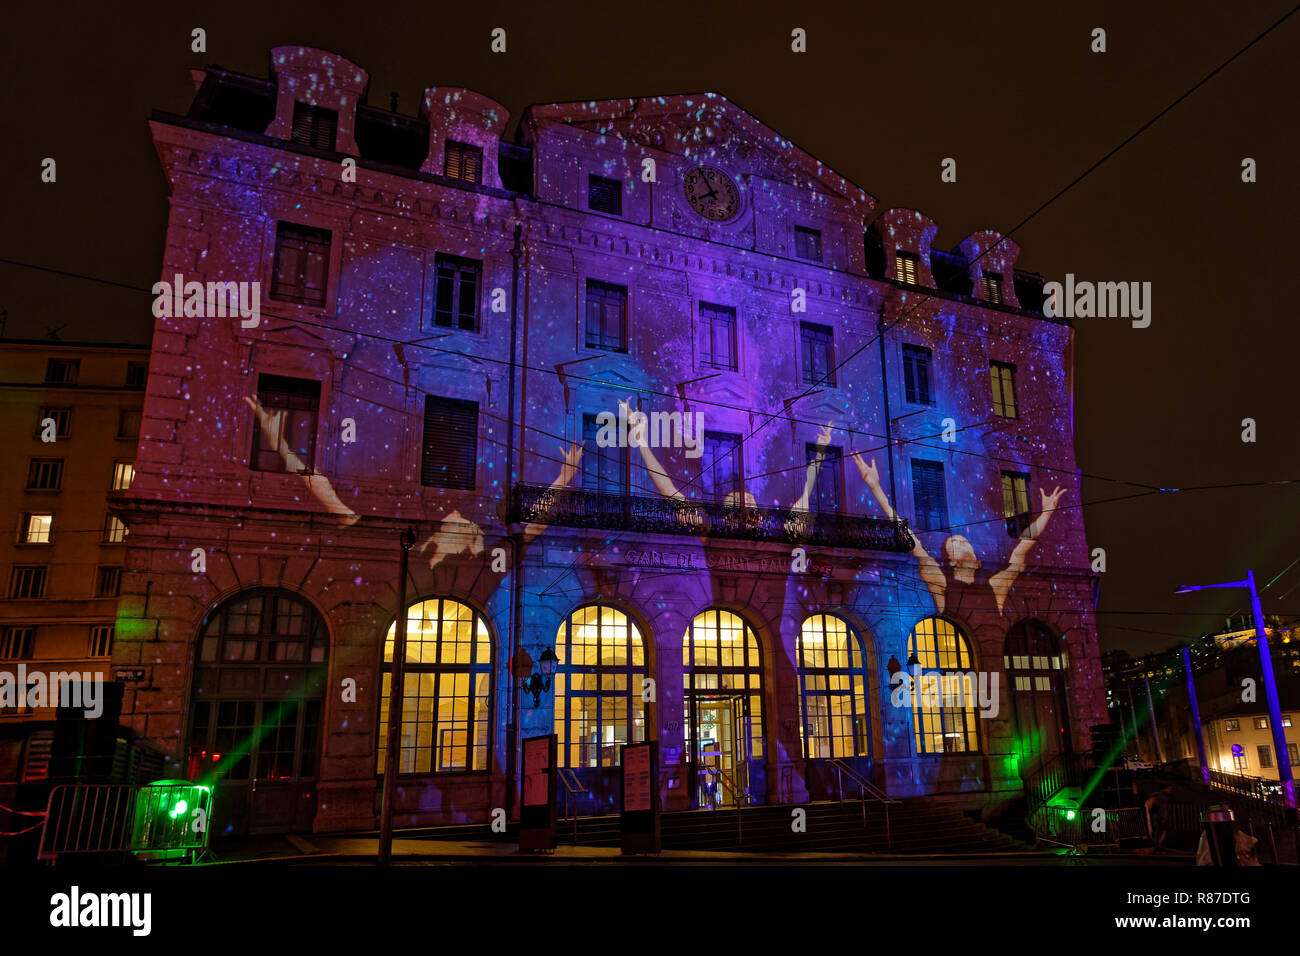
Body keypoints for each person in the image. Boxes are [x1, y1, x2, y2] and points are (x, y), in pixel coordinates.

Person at [851, 453, 1066, 617]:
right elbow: (911, 540)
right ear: (951, 560)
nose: (962, 541)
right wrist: (876, 488)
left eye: (963, 540)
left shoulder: (995, 584)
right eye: (955, 541)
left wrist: (1046, 513)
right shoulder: (941, 581)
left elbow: (1021, 548)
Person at [1145, 784, 1173, 851]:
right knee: (1158, 831)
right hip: (1159, 817)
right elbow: (1154, 807)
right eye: (1169, 788)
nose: (1170, 790)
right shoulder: (1159, 796)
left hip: (1161, 816)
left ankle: (1158, 845)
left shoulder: (1162, 796)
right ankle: (1157, 845)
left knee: (1161, 831)